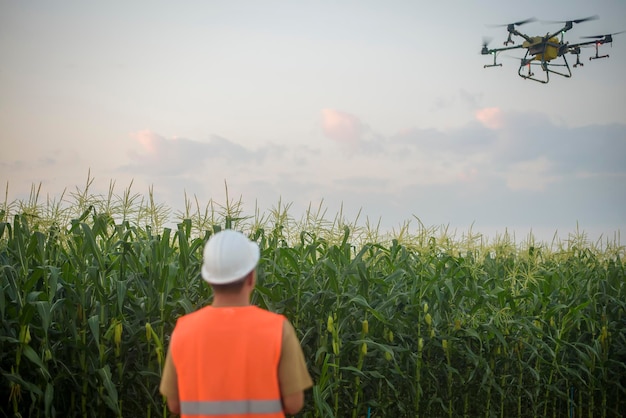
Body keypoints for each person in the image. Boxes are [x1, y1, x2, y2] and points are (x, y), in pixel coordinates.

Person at [159, 229, 313, 417]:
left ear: (209, 279)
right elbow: (294, 403)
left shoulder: (184, 330)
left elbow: (174, 404)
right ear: (250, 277)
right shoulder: (278, 329)